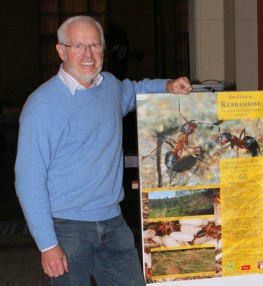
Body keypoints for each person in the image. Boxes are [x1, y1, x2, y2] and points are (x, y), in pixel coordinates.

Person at [15, 15, 192, 286]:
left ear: (104, 49)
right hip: (67, 227)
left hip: (113, 220)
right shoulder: (41, 105)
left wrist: (167, 86)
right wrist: (47, 244)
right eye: (78, 46)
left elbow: (134, 91)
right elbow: (29, 180)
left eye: (95, 46)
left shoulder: (108, 86)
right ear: (61, 50)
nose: (88, 54)